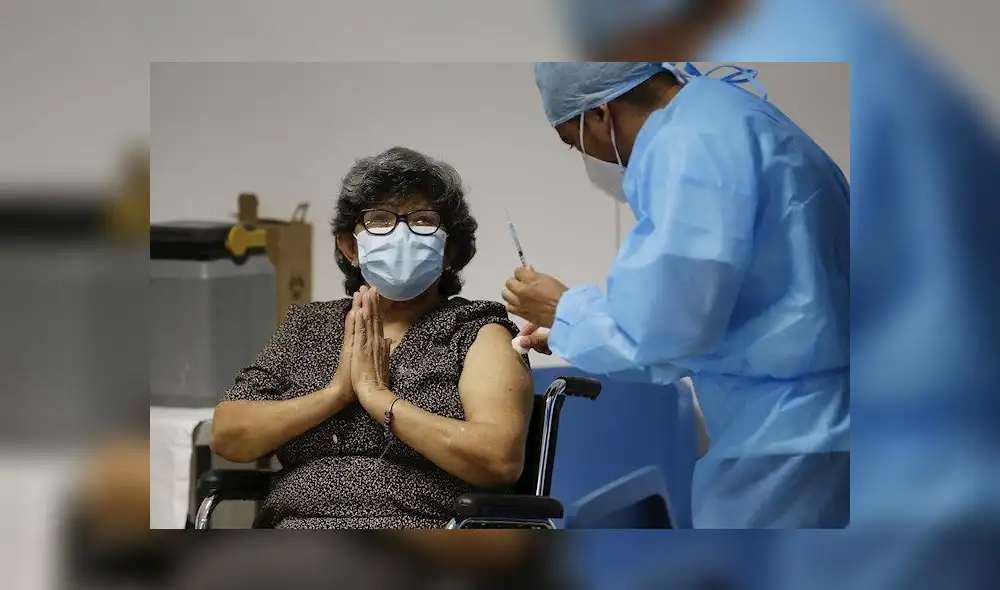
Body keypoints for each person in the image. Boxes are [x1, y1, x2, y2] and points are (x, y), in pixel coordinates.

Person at [503, 62, 850, 528]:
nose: (591, 160)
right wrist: (566, 331)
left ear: (601, 115)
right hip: (821, 422)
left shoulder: (687, 147)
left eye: (574, 141)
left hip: (784, 442)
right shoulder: (732, 114)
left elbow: (662, 334)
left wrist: (562, 308)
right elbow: (718, 317)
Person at [211, 146, 534, 529]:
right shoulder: (308, 326)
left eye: (423, 220)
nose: (401, 234)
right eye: (379, 220)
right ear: (350, 246)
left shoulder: (477, 331)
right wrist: (336, 394)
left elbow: (498, 460)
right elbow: (228, 434)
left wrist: (379, 399)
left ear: (449, 248)